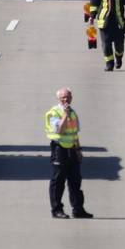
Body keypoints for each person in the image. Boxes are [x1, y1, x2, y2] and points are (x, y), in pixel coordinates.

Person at [45, 88, 92, 219]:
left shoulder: (72, 113)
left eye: (68, 97)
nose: (66, 100)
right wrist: (65, 114)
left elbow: (74, 133)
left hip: (71, 149)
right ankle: (57, 209)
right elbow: (59, 131)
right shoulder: (53, 113)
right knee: (58, 179)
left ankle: (78, 209)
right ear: (58, 99)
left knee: (75, 180)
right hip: (59, 149)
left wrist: (78, 149)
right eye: (63, 98)